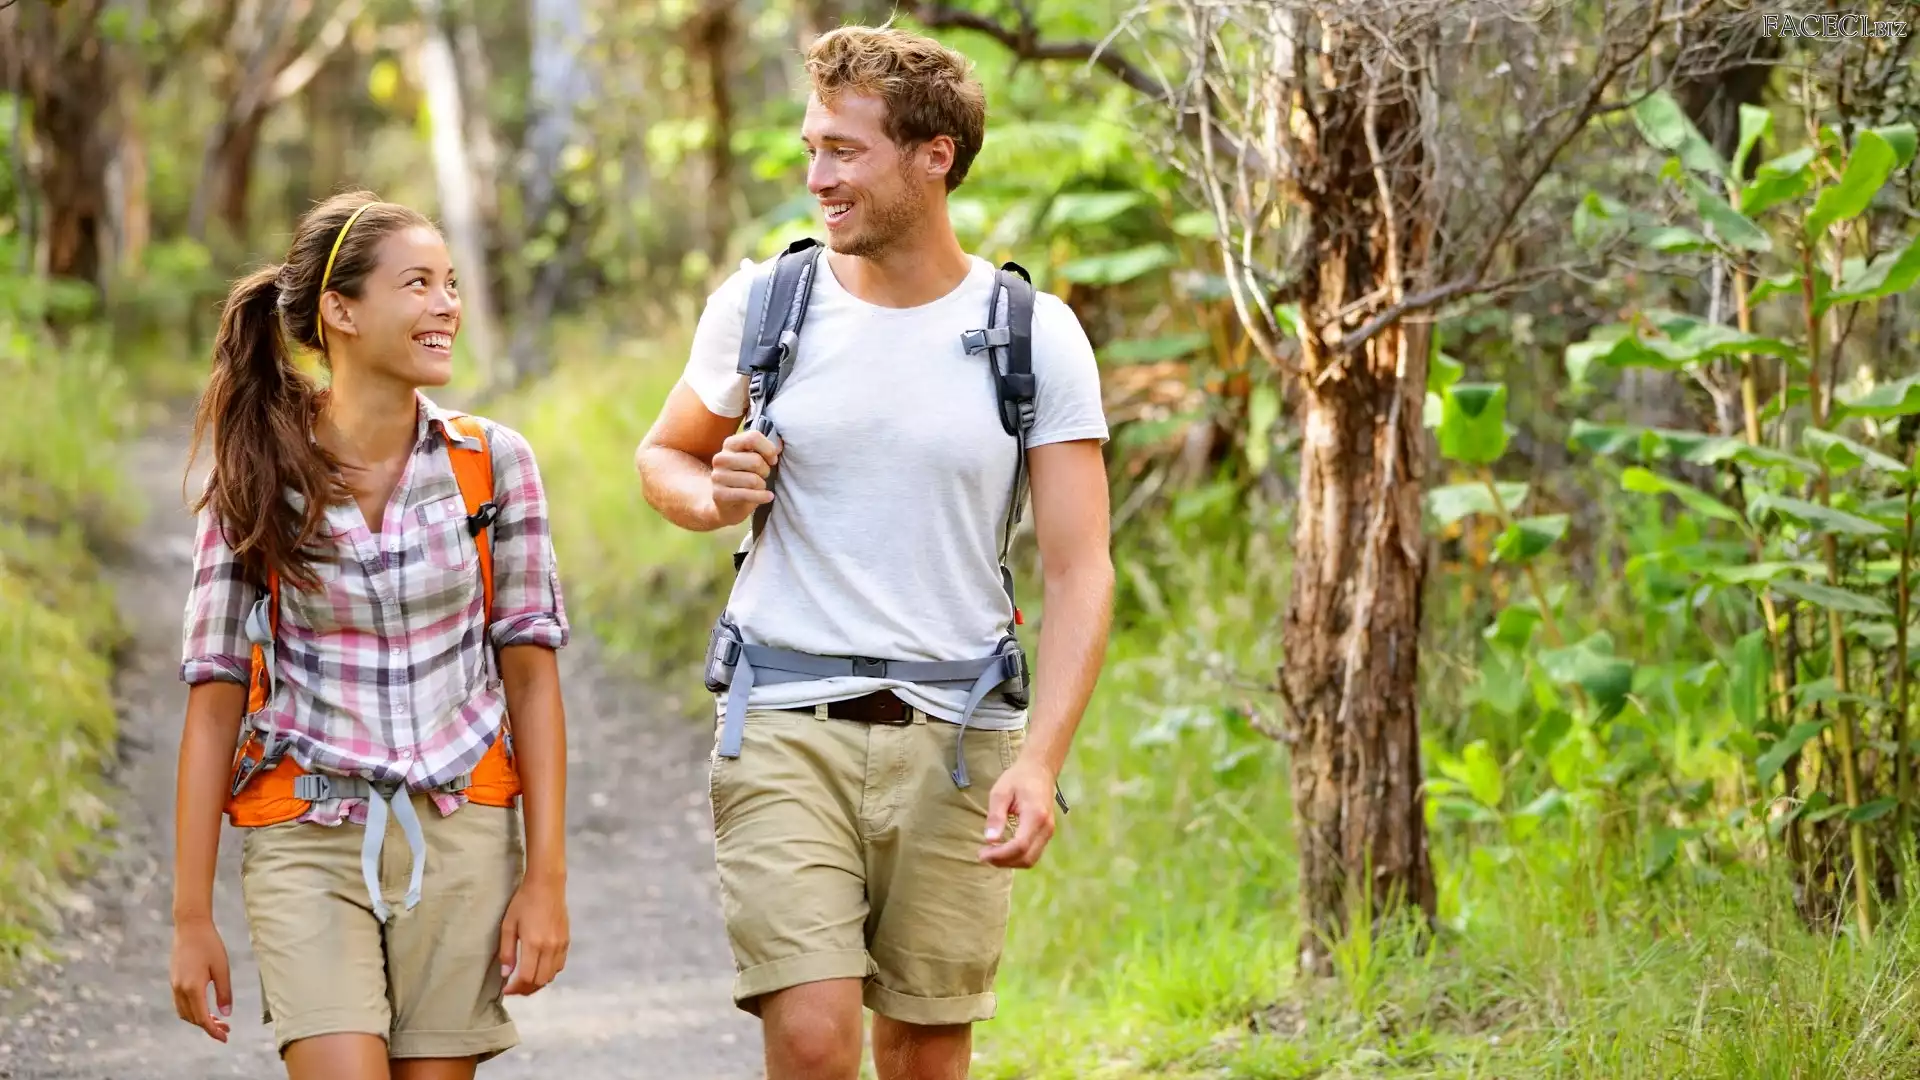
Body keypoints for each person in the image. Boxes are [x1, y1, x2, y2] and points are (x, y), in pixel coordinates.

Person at [634, 24, 1114, 1080]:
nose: (818, 178)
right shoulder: (767, 305)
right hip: (782, 716)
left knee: (925, 1054)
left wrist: (1040, 762)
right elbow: (665, 455)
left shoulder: (1034, 333)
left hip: (960, 734)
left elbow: (1082, 569)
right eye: (813, 148)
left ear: (933, 156)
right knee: (812, 1041)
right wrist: (712, 497)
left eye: (844, 152)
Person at [168, 191, 572, 1078]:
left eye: (450, 284)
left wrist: (546, 879)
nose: (447, 306)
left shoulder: (494, 464)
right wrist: (191, 917)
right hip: (308, 833)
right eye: (417, 284)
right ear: (341, 312)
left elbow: (532, 680)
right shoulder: (256, 471)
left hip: (461, 833)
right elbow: (214, 697)